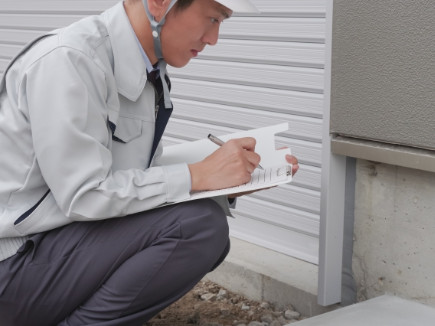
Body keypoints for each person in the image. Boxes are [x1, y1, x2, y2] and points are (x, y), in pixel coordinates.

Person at [0, 0, 299, 324]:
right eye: (212, 18)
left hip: (49, 250)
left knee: (207, 228)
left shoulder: (146, 72)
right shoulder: (70, 60)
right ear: (159, 3)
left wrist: (220, 181)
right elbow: (84, 195)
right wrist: (198, 175)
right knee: (196, 227)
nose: (213, 38)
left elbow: (130, 177)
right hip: (12, 266)